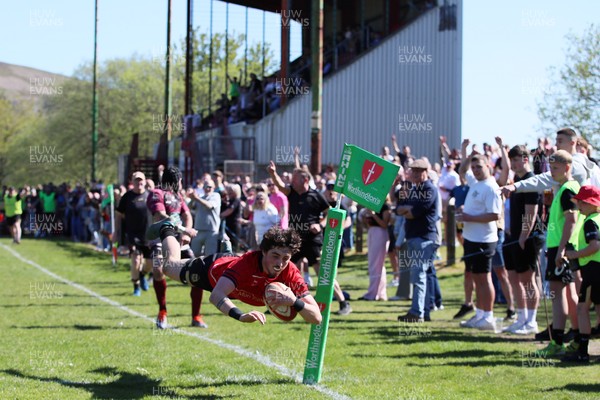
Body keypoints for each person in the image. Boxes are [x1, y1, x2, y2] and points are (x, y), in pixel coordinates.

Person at [147, 223, 322, 325]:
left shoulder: (290, 272)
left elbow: (317, 318)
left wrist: (295, 302)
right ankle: (166, 228)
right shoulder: (247, 265)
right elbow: (216, 296)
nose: (280, 263)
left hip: (236, 281)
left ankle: (228, 249)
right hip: (211, 272)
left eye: (285, 258)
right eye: (275, 256)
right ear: (263, 252)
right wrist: (240, 315)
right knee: (168, 267)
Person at [267, 161, 352, 315]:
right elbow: (280, 186)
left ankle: (343, 303)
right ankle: (278, 304)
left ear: (305, 180)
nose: (292, 181)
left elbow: (329, 213)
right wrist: (273, 173)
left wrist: (320, 225)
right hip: (295, 240)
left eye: (295, 179)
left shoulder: (315, 196)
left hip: (313, 240)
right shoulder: (291, 192)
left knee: (323, 273)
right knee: (284, 271)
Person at [533, 150, 581, 357]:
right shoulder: (564, 188)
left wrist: (561, 249)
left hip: (562, 247)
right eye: (550, 168)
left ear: (567, 168)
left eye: (555, 168)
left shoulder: (568, 188)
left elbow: (571, 220)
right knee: (568, 293)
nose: (551, 172)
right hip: (562, 246)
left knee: (558, 294)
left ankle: (558, 341)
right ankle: (577, 337)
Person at [147, 166, 207, 329]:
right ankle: (162, 312)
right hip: (159, 239)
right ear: (176, 181)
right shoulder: (156, 194)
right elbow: (160, 216)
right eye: (180, 181)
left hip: (179, 241)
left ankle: (196, 316)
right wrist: (183, 229)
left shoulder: (177, 196)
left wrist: (186, 234)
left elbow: (187, 215)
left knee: (198, 272)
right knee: (158, 270)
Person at [457, 140, 502, 331]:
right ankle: (481, 314)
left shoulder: (491, 187)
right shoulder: (476, 182)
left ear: (488, 166)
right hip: (471, 239)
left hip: (484, 240)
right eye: (473, 166)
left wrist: (469, 217)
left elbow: (494, 215)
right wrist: (465, 152)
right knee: (476, 277)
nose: (475, 169)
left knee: (485, 279)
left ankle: (489, 316)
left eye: (479, 166)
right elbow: (461, 171)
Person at [501, 145, 544, 335]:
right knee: (513, 277)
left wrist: (523, 236)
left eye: (517, 160)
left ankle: (531, 321)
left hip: (526, 237)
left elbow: (531, 212)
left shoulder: (531, 180)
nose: (513, 164)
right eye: (511, 160)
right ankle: (521, 318)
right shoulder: (516, 179)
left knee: (527, 279)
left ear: (526, 159)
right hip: (512, 236)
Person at [396, 159, 440, 322]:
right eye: (412, 171)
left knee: (419, 276)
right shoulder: (414, 189)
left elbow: (414, 213)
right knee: (421, 276)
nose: (414, 174)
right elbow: (399, 209)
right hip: (415, 236)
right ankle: (423, 311)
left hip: (424, 238)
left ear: (425, 172)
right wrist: (407, 210)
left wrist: (407, 210)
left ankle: (417, 312)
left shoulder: (429, 189)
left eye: (418, 171)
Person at [563, 185, 600, 363]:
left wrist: (574, 254)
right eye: (579, 201)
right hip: (595, 269)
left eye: (583, 202)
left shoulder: (590, 222)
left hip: (594, 270)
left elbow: (594, 246)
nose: (580, 205)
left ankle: (583, 352)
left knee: (582, 308)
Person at [115, 172, 153, 296]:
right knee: (136, 260)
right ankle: (136, 286)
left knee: (150, 263)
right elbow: (119, 215)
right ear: (132, 181)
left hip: (148, 235)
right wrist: (117, 231)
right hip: (133, 235)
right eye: (136, 180)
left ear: (145, 181)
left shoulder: (150, 196)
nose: (139, 182)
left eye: (141, 180)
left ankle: (142, 274)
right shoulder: (127, 197)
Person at [359, 197, 391, 301]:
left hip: (380, 234)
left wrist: (373, 214)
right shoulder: (371, 206)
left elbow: (384, 224)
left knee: (376, 264)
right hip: (372, 232)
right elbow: (366, 225)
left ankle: (372, 294)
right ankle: (380, 293)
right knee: (376, 265)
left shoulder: (385, 207)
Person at [188, 178, 221, 256]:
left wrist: (196, 198)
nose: (207, 189)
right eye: (206, 187)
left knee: (210, 256)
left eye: (209, 187)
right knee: (193, 255)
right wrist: (192, 199)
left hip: (211, 231)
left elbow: (209, 206)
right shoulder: (200, 197)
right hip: (198, 230)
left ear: (214, 188)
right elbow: (189, 208)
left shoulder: (216, 196)